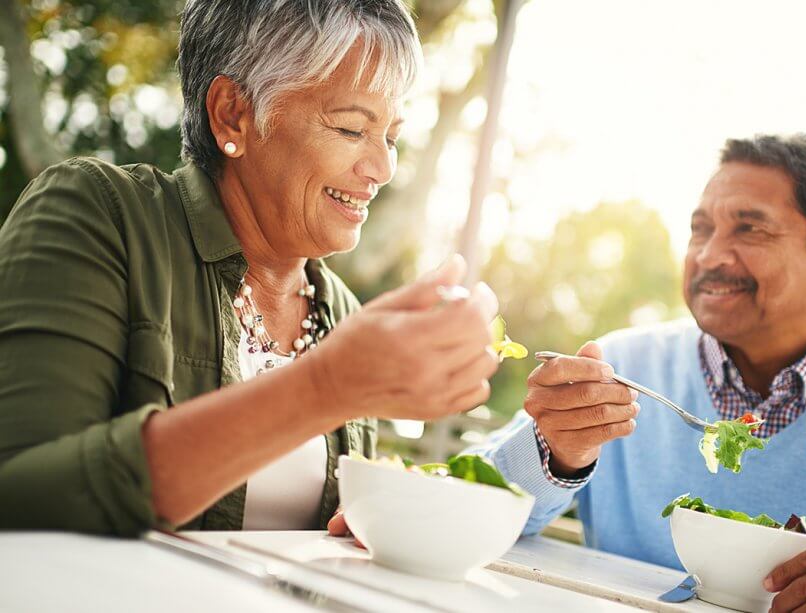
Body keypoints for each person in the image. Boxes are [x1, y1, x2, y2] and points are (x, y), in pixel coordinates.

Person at [0, 0, 499, 536]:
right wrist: (324, 386)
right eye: (353, 129)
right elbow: (20, 490)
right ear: (231, 114)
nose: (382, 168)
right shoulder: (100, 215)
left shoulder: (343, 314)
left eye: (391, 136)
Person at [473, 134, 806, 612]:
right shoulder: (621, 368)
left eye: (750, 230)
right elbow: (469, 505)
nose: (709, 256)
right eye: (700, 228)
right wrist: (557, 454)